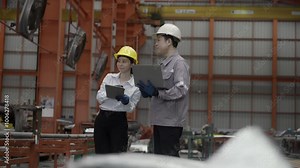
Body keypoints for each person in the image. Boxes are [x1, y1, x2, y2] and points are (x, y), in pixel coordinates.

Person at [137, 23, 190, 157]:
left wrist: (157, 92)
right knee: (160, 160)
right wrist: (148, 91)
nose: (155, 44)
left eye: (158, 40)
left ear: (169, 41)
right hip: (160, 120)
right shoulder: (163, 65)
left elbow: (181, 89)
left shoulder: (179, 64)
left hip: (171, 123)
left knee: (169, 160)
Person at [94, 46, 141, 154]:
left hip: (119, 121)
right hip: (102, 119)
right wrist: (111, 94)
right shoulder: (109, 77)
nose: (120, 64)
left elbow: (131, 108)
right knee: (101, 154)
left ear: (132, 64)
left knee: (117, 155)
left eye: (124, 61)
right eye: (119, 61)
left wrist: (126, 101)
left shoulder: (136, 86)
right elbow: (99, 97)